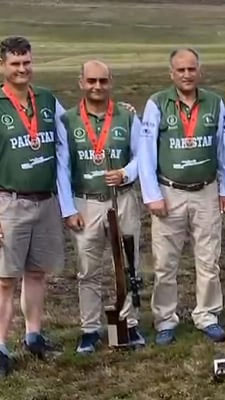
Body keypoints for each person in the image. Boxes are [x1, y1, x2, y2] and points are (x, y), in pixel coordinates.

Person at [139, 48, 225, 345]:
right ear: (171, 73)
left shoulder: (215, 103)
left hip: (205, 191)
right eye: (180, 70)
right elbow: (146, 152)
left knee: (209, 259)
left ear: (199, 71)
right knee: (165, 262)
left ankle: (207, 315)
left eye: (191, 69)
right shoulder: (157, 104)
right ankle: (165, 319)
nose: (187, 74)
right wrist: (152, 195)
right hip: (169, 192)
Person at [56, 60, 146, 353]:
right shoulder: (67, 120)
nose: (97, 87)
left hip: (123, 199)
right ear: (80, 82)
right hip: (86, 202)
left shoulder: (127, 117)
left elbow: (141, 156)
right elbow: (62, 166)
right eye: (91, 81)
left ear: (111, 82)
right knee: (88, 269)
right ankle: (90, 329)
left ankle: (128, 324)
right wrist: (68, 209)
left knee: (129, 264)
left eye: (103, 81)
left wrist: (125, 173)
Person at [0, 36, 66, 377]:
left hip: (45, 200)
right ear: (3, 66)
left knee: (36, 273)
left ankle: (34, 335)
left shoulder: (47, 100)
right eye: (15, 63)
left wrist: (124, 112)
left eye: (26, 62)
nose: (22, 69)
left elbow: (73, 127)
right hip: (9, 202)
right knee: (5, 280)